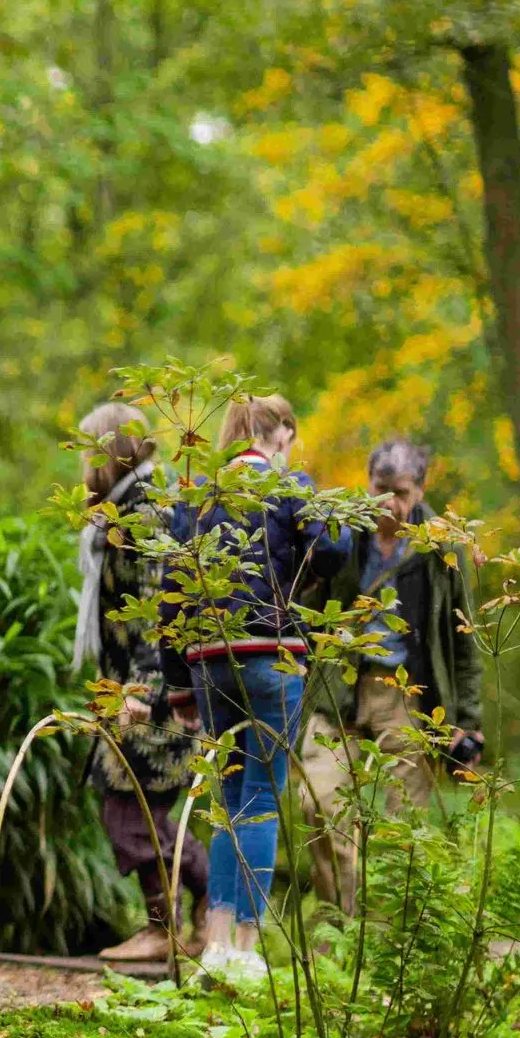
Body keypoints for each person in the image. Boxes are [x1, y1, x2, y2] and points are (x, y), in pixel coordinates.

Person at [159, 394, 349, 980]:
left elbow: (171, 590)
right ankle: (244, 949)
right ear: (283, 432)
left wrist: (177, 686)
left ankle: (213, 943)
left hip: (209, 662)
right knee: (263, 799)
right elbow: (336, 550)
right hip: (271, 656)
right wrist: (306, 570)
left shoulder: (200, 497)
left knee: (226, 802)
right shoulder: (288, 484)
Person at [297, 438, 482, 913]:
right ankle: (340, 936)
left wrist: (467, 719)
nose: (388, 503)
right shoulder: (340, 532)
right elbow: (307, 610)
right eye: (380, 489)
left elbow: (463, 638)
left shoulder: (442, 546)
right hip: (339, 687)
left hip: (408, 695)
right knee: (317, 803)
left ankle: (393, 951)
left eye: (399, 493)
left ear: (419, 491)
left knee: (406, 829)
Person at [71, 403, 210, 962]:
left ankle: (178, 917)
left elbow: (159, 610)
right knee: (131, 809)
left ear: (110, 453)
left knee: (130, 813)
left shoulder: (148, 512)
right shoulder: (121, 509)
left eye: (88, 451)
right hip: (130, 685)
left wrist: (144, 694)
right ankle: (176, 917)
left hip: (158, 693)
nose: (82, 465)